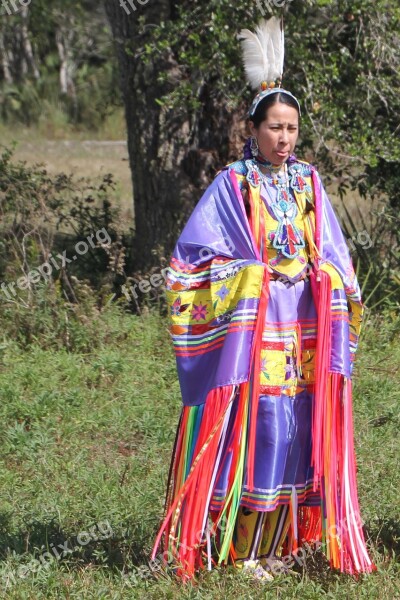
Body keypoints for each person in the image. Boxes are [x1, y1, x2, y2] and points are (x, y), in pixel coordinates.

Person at [151, 17, 375, 581]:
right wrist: (252, 275)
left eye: (292, 128)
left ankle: (287, 543)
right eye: (275, 127)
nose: (285, 138)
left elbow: (333, 251)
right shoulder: (233, 184)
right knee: (263, 424)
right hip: (256, 331)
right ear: (252, 130)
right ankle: (242, 544)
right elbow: (192, 258)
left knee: (299, 426)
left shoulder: (308, 181)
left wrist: (327, 275)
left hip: (304, 327)